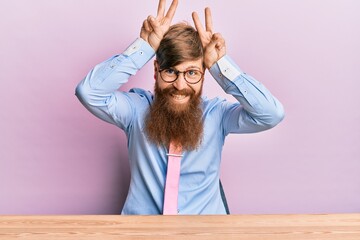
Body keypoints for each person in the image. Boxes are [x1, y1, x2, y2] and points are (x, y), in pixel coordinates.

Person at [75, 0, 284, 215]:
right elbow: (89, 92)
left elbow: (271, 114)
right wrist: (144, 47)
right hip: (142, 233)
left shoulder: (218, 115)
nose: (180, 85)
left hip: (206, 233)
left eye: (192, 72)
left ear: (204, 75)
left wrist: (221, 66)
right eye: (171, 72)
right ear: (156, 70)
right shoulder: (135, 110)